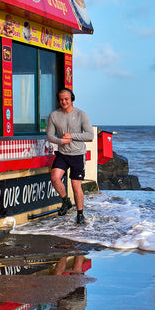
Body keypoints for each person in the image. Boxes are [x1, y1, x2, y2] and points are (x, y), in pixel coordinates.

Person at [46, 88, 94, 224]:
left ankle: (80, 214)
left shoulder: (81, 115)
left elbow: (90, 135)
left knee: (75, 185)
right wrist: (61, 141)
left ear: (71, 99)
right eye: (61, 99)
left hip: (77, 155)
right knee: (55, 178)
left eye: (66, 99)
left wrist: (72, 136)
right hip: (62, 153)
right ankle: (66, 201)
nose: (64, 102)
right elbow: (49, 136)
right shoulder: (54, 115)